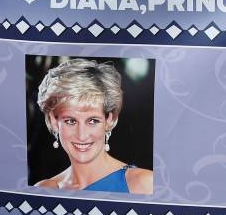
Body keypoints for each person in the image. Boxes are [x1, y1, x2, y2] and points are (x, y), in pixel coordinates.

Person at [33, 58, 153, 194]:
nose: (82, 135)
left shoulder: (143, 183)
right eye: (71, 121)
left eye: (92, 121)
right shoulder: (44, 189)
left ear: (110, 120)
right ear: (54, 122)